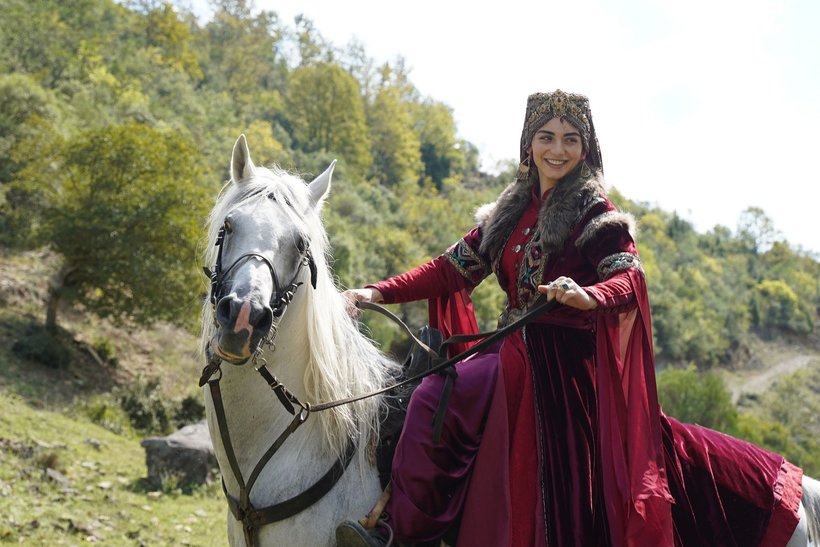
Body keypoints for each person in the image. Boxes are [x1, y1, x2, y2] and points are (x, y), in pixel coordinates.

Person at [336, 90, 804, 547]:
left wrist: (589, 295)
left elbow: (629, 279)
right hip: (510, 350)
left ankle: (397, 533)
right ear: (528, 144)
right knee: (425, 391)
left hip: (563, 365)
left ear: (586, 148)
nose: (557, 149)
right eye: (546, 137)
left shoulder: (594, 211)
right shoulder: (508, 211)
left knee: (437, 394)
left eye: (570, 139)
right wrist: (375, 291)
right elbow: (449, 269)